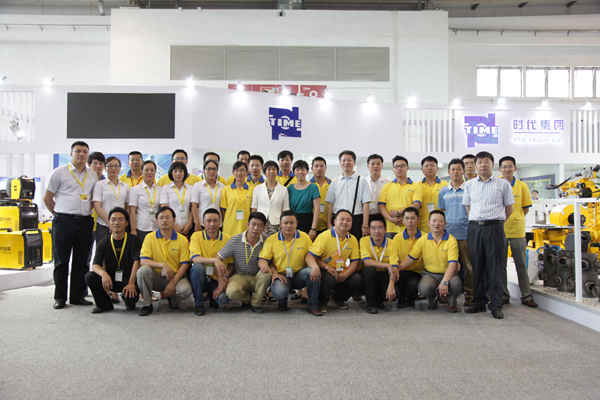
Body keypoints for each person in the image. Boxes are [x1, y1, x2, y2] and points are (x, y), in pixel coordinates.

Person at [44, 141, 99, 309]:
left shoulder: (93, 175)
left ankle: (77, 296)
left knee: (82, 261)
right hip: (64, 221)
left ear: (88, 155)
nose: (81, 154)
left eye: (84, 152)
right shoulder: (59, 172)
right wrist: (59, 215)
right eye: (78, 151)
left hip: (85, 221)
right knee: (62, 261)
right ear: (71, 154)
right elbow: (47, 198)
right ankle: (60, 297)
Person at [463, 151, 515, 320]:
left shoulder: (503, 184)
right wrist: (478, 221)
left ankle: (496, 305)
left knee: (495, 267)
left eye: (486, 162)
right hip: (475, 229)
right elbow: (468, 207)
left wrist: (496, 223)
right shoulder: (469, 184)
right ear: (475, 165)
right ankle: (478, 303)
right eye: (480, 162)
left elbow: (509, 209)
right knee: (476, 267)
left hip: (495, 228)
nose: (483, 165)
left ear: (492, 164)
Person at [258, 210, 323, 316]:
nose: (289, 225)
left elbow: (311, 255)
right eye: (285, 223)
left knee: (313, 272)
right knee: (279, 292)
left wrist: (315, 266)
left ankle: (312, 306)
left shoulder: (305, 237)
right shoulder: (271, 240)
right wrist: (268, 269)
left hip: (299, 274)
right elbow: (263, 259)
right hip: (281, 275)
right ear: (280, 224)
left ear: (296, 223)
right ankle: (282, 302)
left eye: (292, 223)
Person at [398, 210, 461, 312]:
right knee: (424, 288)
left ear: (445, 224)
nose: (437, 224)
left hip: (448, 273)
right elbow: (410, 258)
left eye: (440, 221)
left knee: (455, 284)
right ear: (428, 223)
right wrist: (396, 268)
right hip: (430, 274)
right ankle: (432, 300)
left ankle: (452, 303)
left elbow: (453, 264)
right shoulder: (423, 240)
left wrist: (444, 282)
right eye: (434, 221)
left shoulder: (451, 240)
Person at [137, 206, 193, 316]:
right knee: (142, 271)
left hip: (175, 277)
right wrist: (163, 265)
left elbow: (184, 265)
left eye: (167, 217)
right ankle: (147, 304)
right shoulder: (149, 237)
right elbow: (143, 261)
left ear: (174, 220)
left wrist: (173, 283)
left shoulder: (182, 239)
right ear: (157, 221)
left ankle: (173, 300)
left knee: (186, 289)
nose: (164, 220)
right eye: (161, 218)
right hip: (156, 277)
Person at [85, 207, 142, 313]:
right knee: (90, 277)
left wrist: (131, 283)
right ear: (109, 222)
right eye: (113, 219)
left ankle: (129, 301)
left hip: (129, 279)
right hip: (110, 279)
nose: (116, 222)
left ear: (126, 223)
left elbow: (137, 262)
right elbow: (95, 265)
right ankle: (105, 304)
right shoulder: (103, 242)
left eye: (120, 219)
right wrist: (103, 274)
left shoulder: (134, 241)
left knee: (130, 298)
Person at [498, 156, 538, 308]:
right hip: (500, 230)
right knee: (501, 266)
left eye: (510, 166)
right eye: (504, 167)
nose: (507, 169)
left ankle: (526, 296)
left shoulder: (522, 186)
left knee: (521, 265)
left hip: (518, 231)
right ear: (500, 169)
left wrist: (516, 218)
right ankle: (503, 295)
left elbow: (525, 208)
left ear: (514, 168)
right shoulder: (497, 184)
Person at [306, 209, 362, 312]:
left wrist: (344, 275)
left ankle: (338, 298)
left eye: (348, 220)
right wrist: (327, 267)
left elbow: (355, 262)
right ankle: (322, 303)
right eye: (342, 219)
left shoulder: (353, 239)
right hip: (325, 269)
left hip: (341, 270)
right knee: (329, 279)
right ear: (335, 221)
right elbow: (311, 256)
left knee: (357, 278)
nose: (345, 222)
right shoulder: (324, 236)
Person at [215, 212, 271, 313]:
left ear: (264, 228)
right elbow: (217, 259)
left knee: (267, 273)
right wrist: (221, 280)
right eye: (253, 224)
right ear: (247, 224)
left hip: (257, 276)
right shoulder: (235, 240)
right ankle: (247, 299)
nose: (256, 228)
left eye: (259, 225)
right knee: (231, 292)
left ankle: (256, 303)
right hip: (239, 275)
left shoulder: (268, 241)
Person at [438, 158, 473, 306]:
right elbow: (442, 212)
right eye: (453, 169)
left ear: (463, 171)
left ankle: (470, 295)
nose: (456, 172)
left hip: (466, 234)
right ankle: (446, 294)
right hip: (448, 235)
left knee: (469, 266)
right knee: (447, 265)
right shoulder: (444, 191)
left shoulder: (470, 188)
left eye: (459, 169)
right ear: (448, 172)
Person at [189, 209, 234, 316]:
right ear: (203, 223)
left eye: (215, 221)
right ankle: (199, 304)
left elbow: (231, 264)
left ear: (220, 222)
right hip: (201, 277)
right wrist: (214, 260)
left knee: (222, 299)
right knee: (198, 267)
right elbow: (195, 258)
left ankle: (212, 296)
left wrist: (225, 277)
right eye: (208, 221)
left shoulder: (227, 239)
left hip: (218, 278)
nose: (212, 224)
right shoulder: (196, 236)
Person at [325, 150, 372, 240]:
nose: (346, 162)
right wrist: (329, 223)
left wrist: (365, 225)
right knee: (336, 245)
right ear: (340, 163)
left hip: (355, 220)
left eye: (349, 160)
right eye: (343, 160)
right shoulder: (335, 181)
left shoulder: (362, 181)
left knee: (354, 244)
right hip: (338, 220)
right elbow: (330, 203)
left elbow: (365, 204)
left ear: (354, 162)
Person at [359, 215, 399, 314]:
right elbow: (367, 262)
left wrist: (391, 285)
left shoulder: (392, 243)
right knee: (371, 270)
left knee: (396, 293)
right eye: (373, 228)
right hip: (367, 275)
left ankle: (378, 300)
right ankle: (370, 305)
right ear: (369, 230)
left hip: (383, 275)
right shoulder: (364, 240)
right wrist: (387, 265)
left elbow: (394, 267)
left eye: (380, 228)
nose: (377, 231)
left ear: (385, 230)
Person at [378, 155, 422, 238]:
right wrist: (391, 219)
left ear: (407, 168)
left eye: (402, 166)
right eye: (396, 166)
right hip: (390, 228)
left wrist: (398, 213)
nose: (399, 168)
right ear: (393, 169)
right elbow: (381, 206)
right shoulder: (387, 186)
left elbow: (416, 205)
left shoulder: (415, 186)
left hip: (408, 228)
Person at [93, 156, 130, 244]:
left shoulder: (125, 186)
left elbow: (127, 207)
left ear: (120, 168)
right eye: (110, 166)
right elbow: (97, 206)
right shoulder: (99, 185)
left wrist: (123, 222)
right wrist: (110, 223)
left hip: (120, 226)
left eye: (116, 166)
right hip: (104, 224)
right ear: (105, 168)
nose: (113, 168)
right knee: (103, 249)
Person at [392, 207, 423, 308]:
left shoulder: (425, 237)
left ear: (418, 220)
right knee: (398, 278)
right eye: (407, 218)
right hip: (402, 270)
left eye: (413, 218)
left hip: (418, 272)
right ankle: (401, 298)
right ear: (403, 220)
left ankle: (411, 298)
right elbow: (393, 257)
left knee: (413, 285)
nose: (410, 221)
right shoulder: (397, 238)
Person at [251, 160, 290, 240]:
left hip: (276, 223)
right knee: (260, 244)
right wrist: (253, 223)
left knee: (275, 244)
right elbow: (254, 208)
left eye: (274, 169)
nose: (271, 171)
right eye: (268, 169)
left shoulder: (283, 189)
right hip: (260, 223)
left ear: (277, 172)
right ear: (264, 173)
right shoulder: (257, 188)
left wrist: (284, 224)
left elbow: (285, 210)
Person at [129, 160, 162, 242]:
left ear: (155, 172)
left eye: (152, 170)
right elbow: (132, 211)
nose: (149, 172)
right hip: (141, 227)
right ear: (141, 172)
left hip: (156, 227)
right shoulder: (135, 189)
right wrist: (133, 229)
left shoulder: (160, 190)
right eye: (146, 170)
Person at [288, 160, 320, 241]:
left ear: (307, 171)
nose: (300, 172)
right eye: (297, 170)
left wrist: (313, 228)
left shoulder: (313, 187)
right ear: (294, 172)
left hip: (307, 221)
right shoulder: (289, 188)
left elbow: (317, 209)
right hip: (292, 222)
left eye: (303, 170)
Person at [220, 161, 255, 237]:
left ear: (247, 172)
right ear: (233, 172)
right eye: (237, 170)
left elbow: (252, 210)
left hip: (245, 226)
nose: (239, 173)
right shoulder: (225, 190)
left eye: (242, 170)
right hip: (229, 227)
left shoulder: (252, 190)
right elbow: (223, 210)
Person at [159, 161, 194, 237]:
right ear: (171, 173)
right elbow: (164, 207)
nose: (178, 174)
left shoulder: (191, 188)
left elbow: (193, 207)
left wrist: (189, 224)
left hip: (188, 228)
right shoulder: (165, 188)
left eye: (181, 171)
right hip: (171, 227)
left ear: (185, 173)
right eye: (175, 171)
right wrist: (173, 225)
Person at [191, 159, 225, 231]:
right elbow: (194, 206)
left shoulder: (222, 186)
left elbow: (223, 207)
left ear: (217, 171)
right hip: (202, 223)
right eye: (209, 169)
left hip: (217, 223)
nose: (211, 172)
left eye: (214, 169)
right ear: (204, 171)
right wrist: (197, 223)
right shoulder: (198, 186)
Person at [417, 156, 446, 233]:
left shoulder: (446, 186)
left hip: (439, 226)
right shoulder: (416, 186)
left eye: (432, 165)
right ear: (422, 169)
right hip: (421, 226)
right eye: (426, 166)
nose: (429, 168)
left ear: (437, 168)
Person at [365, 154, 390, 221]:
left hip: (382, 215)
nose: (375, 166)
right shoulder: (363, 181)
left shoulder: (388, 183)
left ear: (382, 166)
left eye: (378, 164)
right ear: (368, 166)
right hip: (365, 215)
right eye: (372, 164)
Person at [310, 156, 331, 235]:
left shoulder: (332, 184)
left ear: (325, 168)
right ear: (312, 168)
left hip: (328, 225)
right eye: (316, 166)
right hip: (311, 226)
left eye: (322, 166)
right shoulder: (308, 185)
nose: (319, 168)